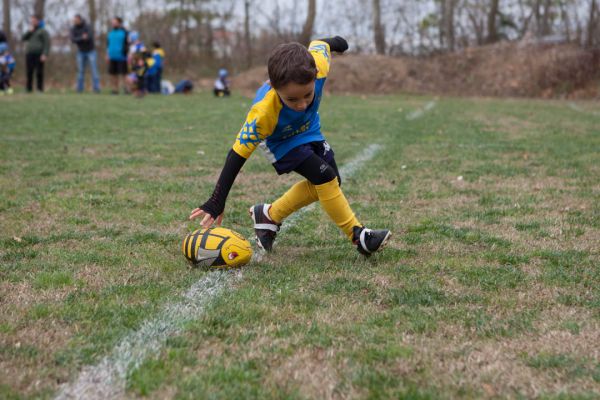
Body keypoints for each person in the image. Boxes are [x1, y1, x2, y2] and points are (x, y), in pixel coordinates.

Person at [189, 37, 391, 256]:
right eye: (292, 100)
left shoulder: (318, 65)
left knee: (331, 183)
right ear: (274, 88)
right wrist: (217, 200)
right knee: (325, 177)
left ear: (315, 76)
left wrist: (334, 43)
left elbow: (319, 43)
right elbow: (236, 155)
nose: (302, 104)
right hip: (281, 140)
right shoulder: (263, 113)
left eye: (307, 95)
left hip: (310, 129)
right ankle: (358, 235)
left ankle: (269, 216)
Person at [70, 14, 100, 93]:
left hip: (91, 51)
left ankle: (96, 89)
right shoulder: (73, 28)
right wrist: (82, 37)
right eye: (74, 20)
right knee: (80, 71)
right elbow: (73, 40)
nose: (74, 21)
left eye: (76, 20)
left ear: (80, 19)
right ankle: (79, 89)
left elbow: (89, 37)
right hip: (80, 52)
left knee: (94, 70)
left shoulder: (87, 26)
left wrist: (79, 38)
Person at [22, 15, 50, 93]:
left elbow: (47, 43)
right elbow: (23, 38)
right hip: (29, 53)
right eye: (32, 20)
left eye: (34, 20)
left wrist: (45, 54)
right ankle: (28, 89)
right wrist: (29, 31)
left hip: (39, 54)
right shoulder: (30, 30)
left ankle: (39, 89)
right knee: (29, 71)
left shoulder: (42, 31)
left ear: (38, 21)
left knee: (39, 72)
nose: (33, 22)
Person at [106, 17, 128, 94]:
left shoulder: (124, 32)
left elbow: (127, 43)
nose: (113, 23)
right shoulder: (110, 33)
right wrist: (107, 54)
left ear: (119, 23)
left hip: (122, 56)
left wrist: (127, 53)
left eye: (115, 22)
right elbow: (108, 45)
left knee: (124, 74)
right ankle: (115, 90)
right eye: (112, 22)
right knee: (113, 74)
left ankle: (126, 89)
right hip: (112, 56)